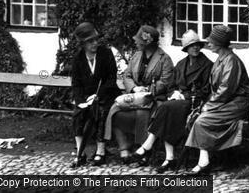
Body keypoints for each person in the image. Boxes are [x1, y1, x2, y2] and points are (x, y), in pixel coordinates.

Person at [135, 29, 213, 173]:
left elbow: (207, 90)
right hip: (179, 102)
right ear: (186, 49)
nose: (195, 48)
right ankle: (168, 157)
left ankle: (150, 145)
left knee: (166, 108)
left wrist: (187, 96)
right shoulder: (181, 64)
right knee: (168, 110)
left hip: (195, 103)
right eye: (191, 46)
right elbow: (171, 85)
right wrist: (174, 93)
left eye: (197, 45)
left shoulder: (207, 65)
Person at [185, 25, 249, 174]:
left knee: (202, 120)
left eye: (211, 41)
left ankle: (204, 162)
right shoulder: (221, 59)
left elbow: (226, 89)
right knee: (197, 117)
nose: (208, 44)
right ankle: (213, 159)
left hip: (237, 104)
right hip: (226, 102)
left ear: (220, 44)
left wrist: (209, 106)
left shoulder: (231, 61)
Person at [104, 25, 174, 164]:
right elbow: (127, 75)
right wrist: (135, 89)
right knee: (114, 111)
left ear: (147, 42)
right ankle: (124, 148)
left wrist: (148, 90)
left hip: (153, 100)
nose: (135, 42)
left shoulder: (164, 59)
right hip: (134, 97)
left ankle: (143, 151)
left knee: (144, 115)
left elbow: (166, 81)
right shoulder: (136, 56)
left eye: (138, 40)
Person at [70, 22, 119, 167]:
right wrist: (81, 101)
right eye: (90, 41)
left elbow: (111, 78)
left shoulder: (106, 54)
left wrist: (98, 95)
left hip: (106, 94)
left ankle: (100, 152)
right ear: (83, 43)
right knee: (78, 114)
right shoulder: (78, 59)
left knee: (101, 111)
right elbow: (76, 84)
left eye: (96, 39)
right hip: (86, 97)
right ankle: (80, 153)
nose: (94, 43)